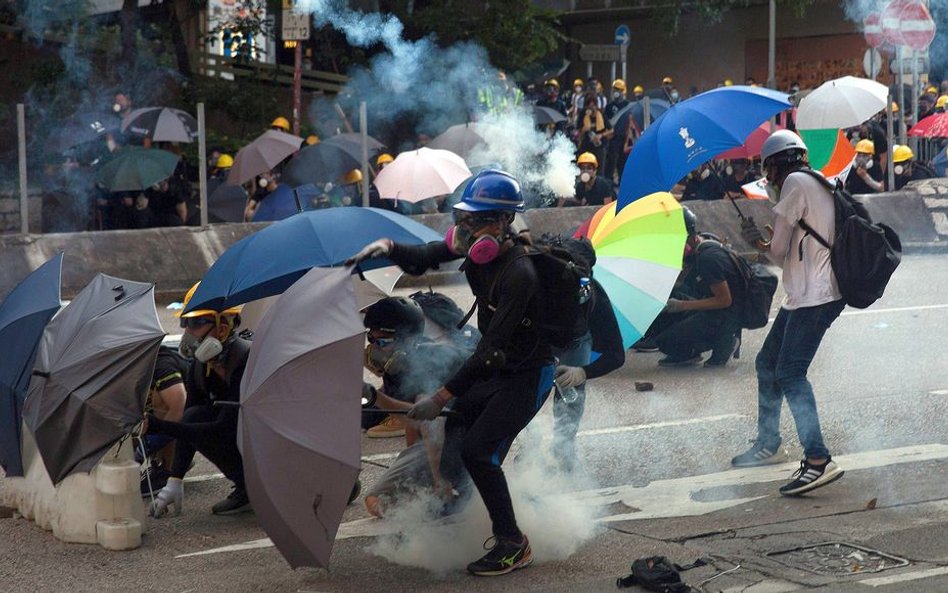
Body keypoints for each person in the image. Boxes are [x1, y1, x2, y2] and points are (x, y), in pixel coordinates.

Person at [346, 170, 553, 576]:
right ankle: (454, 503)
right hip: (497, 368)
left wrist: (439, 395)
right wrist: (388, 247)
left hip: (527, 373)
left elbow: (490, 352)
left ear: (503, 223)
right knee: (458, 419)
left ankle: (514, 543)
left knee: (479, 449)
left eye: (477, 220)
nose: (465, 228)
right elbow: (424, 257)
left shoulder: (519, 274)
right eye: (464, 217)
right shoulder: (478, 251)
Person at [736, 130, 845, 496]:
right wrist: (770, 241)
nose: (768, 178)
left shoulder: (796, 184)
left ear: (776, 164)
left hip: (816, 295)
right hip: (805, 294)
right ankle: (768, 443)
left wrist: (758, 242)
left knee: (789, 373)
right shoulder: (815, 179)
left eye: (768, 170)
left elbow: (778, 251)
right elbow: (790, 246)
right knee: (767, 363)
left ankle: (818, 459)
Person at [147, 283, 252, 517]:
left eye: (196, 323)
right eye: (186, 323)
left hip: (269, 442)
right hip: (245, 441)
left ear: (223, 327)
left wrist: (158, 426)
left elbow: (223, 428)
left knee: (207, 425)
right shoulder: (200, 368)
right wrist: (175, 478)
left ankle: (298, 479)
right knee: (194, 415)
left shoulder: (246, 361)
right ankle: (248, 486)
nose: (188, 332)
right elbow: (190, 421)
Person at [360, 297, 471, 517]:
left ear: (408, 340)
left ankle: (454, 493)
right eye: (371, 338)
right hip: (437, 441)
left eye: (382, 342)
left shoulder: (429, 362)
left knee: (390, 503)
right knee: (376, 502)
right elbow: (412, 426)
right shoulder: (397, 367)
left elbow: (430, 423)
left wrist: (439, 482)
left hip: (459, 439)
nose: (374, 348)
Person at [541, 238, 624, 469]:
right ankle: (529, 450)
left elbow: (616, 354)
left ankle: (564, 448)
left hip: (574, 341)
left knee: (571, 395)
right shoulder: (528, 281)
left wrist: (582, 372)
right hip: (534, 336)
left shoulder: (593, 294)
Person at [652, 206, 745, 367]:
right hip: (711, 306)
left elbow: (724, 300)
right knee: (663, 314)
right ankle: (695, 347)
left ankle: (724, 341)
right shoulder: (700, 245)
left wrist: (682, 306)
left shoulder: (708, 259)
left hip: (725, 314)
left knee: (666, 342)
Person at [138, 345, 188, 494]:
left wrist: (146, 447)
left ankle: (166, 469)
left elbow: (179, 406)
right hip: (186, 429)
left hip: (198, 421)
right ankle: (175, 457)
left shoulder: (159, 363)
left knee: (162, 402)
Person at [603, 80, 631, 184]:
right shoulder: (609, 106)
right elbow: (606, 121)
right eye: (615, 89)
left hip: (624, 135)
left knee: (623, 160)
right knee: (611, 158)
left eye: (619, 90)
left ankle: (622, 180)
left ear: (623, 91)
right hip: (613, 135)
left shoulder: (627, 105)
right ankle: (608, 180)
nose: (616, 92)